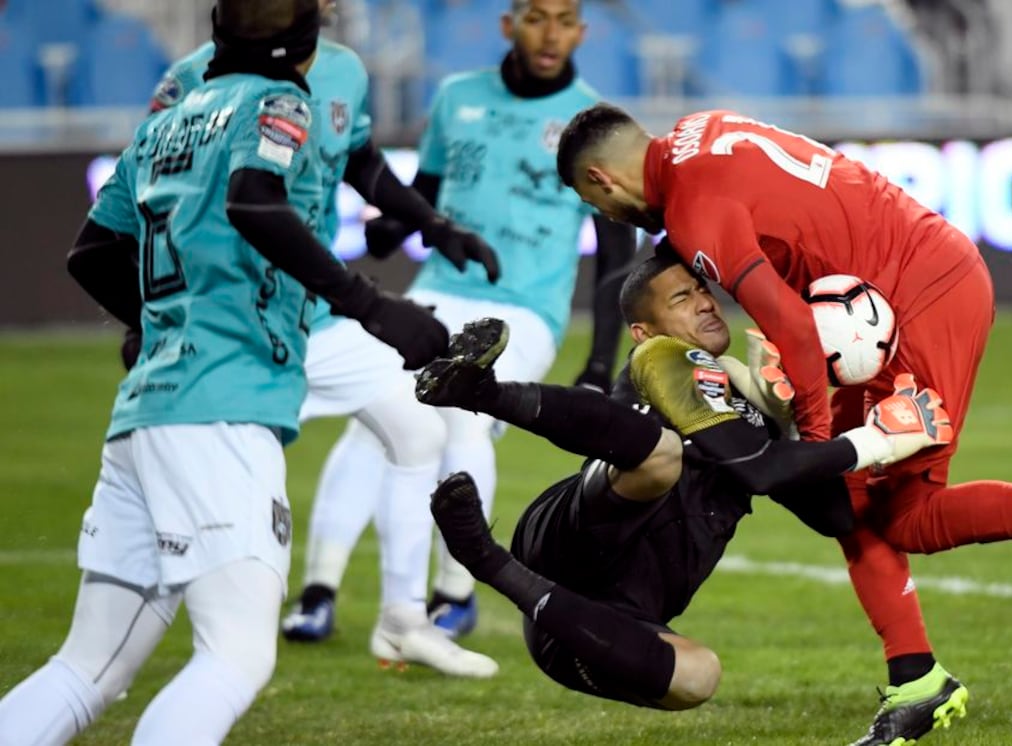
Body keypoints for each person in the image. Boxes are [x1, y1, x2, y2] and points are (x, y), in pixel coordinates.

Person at [554, 104, 1012, 745]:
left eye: (598, 205)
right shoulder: (696, 133)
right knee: (857, 508)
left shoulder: (692, 207)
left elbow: (792, 325)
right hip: (880, 295)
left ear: (601, 179)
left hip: (914, 298)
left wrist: (817, 444)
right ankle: (918, 675)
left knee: (905, 516)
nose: (609, 216)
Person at [0, 1, 449, 743]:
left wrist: (153, 324)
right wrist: (371, 306)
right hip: (225, 409)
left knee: (86, 669)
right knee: (234, 658)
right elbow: (254, 202)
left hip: (146, 413)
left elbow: (92, 253)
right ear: (309, 33)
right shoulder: (281, 101)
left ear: (216, 22)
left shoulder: (167, 119)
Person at [413, 252, 951, 715]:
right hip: (571, 544)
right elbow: (757, 468)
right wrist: (873, 442)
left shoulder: (745, 397)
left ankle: (488, 553)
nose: (705, 303)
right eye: (681, 299)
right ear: (644, 331)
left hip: (596, 630)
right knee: (661, 455)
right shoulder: (661, 356)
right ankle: (484, 397)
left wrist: (787, 424)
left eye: (702, 290)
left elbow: (833, 516)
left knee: (699, 677)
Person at [146, 0, 500, 677]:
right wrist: (143, 314)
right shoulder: (191, 80)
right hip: (230, 321)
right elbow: (152, 196)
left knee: (419, 430)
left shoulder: (343, 69)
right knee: (211, 482)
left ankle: (402, 621)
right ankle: (166, 624)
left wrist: (433, 224)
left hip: (316, 310)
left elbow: (361, 162)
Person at [284, 0, 638, 646]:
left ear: (582, 32)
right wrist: (394, 227)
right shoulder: (456, 98)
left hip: (525, 309)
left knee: (463, 417)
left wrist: (597, 364)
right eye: (536, 16)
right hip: (439, 291)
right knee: (376, 421)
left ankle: (455, 591)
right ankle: (318, 593)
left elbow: (617, 255)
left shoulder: (593, 124)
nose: (550, 32)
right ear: (508, 25)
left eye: (564, 19)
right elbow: (425, 192)